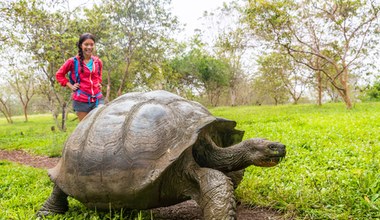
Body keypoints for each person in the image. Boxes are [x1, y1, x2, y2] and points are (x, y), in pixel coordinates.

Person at [56, 33, 103, 121]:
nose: (89, 47)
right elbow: (59, 75)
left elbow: (99, 75)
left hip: (97, 99)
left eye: (91, 44)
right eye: (86, 44)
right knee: (84, 128)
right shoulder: (72, 61)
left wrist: (98, 83)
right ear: (81, 45)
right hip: (81, 101)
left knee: (100, 125)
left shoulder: (98, 61)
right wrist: (71, 86)